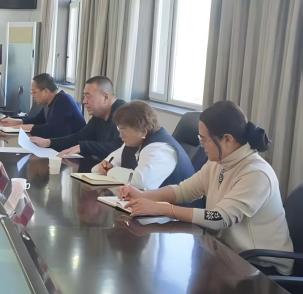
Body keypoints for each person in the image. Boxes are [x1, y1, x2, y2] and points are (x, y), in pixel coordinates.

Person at [120, 101, 295, 275]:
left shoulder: (256, 173)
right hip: (227, 253)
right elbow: (184, 190)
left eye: (204, 139)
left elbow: (219, 217)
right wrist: (143, 195)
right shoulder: (218, 162)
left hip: (260, 266)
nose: (201, 145)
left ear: (227, 139)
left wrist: (165, 209)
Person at [92, 101, 194, 190]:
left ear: (143, 132)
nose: (120, 135)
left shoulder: (160, 149)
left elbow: (141, 183)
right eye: (120, 130)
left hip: (174, 205)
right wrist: (103, 167)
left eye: (124, 131)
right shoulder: (135, 141)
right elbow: (106, 163)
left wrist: (111, 171)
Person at [30, 76, 125, 160]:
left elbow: (120, 148)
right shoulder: (99, 114)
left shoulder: (124, 114)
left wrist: (83, 147)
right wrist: (49, 142)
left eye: (88, 96)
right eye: (84, 96)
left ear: (106, 97)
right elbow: (80, 137)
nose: (84, 101)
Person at [0, 73, 85, 138]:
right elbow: (37, 120)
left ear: (45, 91)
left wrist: (21, 127)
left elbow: (51, 130)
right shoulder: (51, 102)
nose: (32, 95)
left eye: (34, 91)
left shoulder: (63, 100)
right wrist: (15, 121)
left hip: (74, 149)